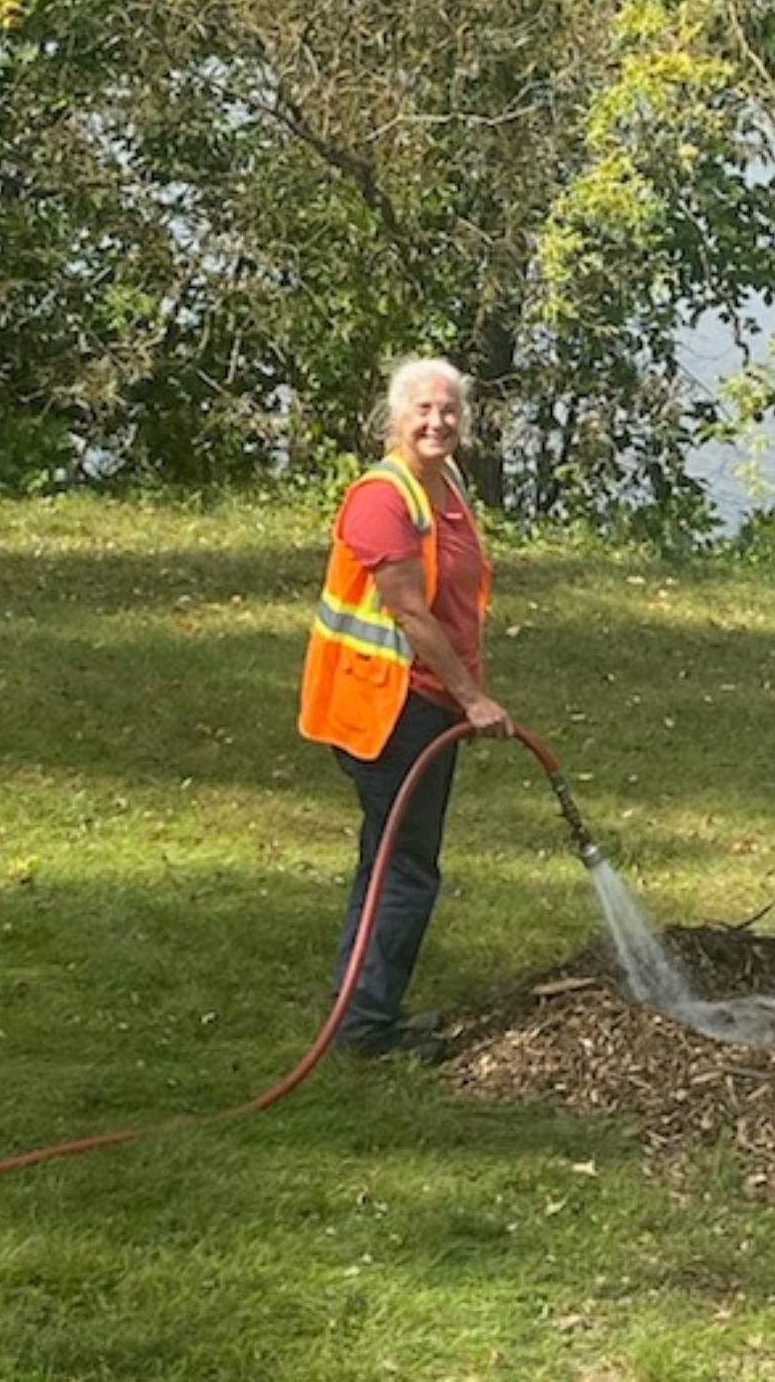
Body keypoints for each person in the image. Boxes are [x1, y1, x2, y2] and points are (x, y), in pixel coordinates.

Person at [299, 356, 513, 1060]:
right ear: (394, 418)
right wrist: (473, 698)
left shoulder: (442, 486)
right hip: (387, 709)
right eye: (423, 409)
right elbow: (412, 616)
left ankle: (356, 1007)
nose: (438, 421)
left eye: (449, 410)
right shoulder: (384, 499)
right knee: (407, 870)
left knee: (384, 858)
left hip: (424, 703)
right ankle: (366, 1033)